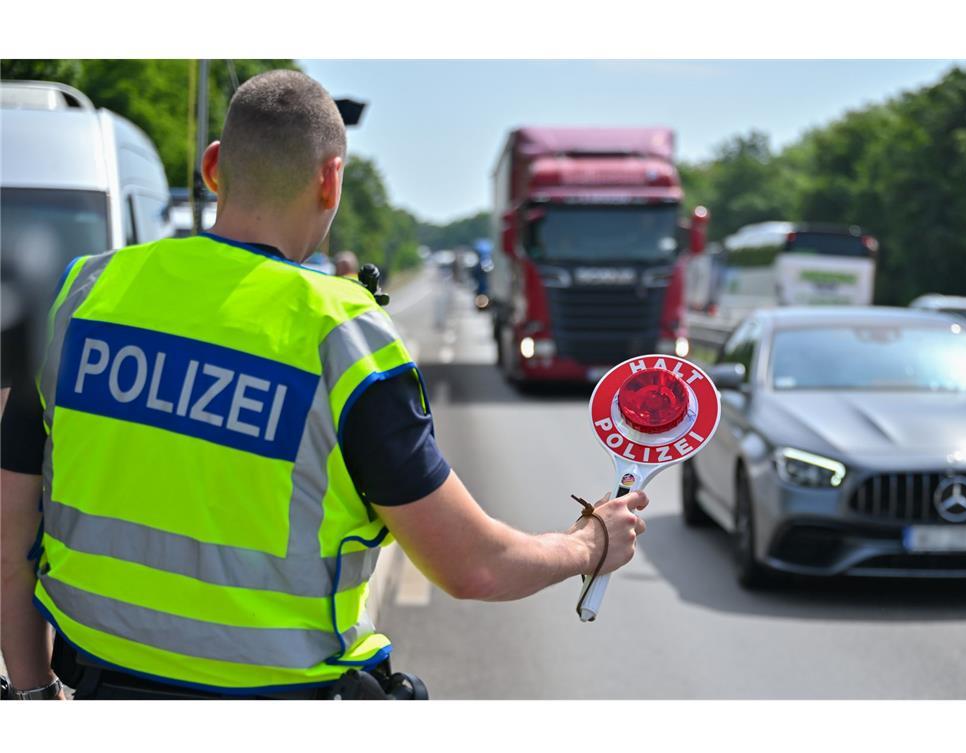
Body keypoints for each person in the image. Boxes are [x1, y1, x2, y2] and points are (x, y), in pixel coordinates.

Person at [0, 70, 647, 700]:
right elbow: (474, 567)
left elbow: (9, 530)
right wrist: (587, 543)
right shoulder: (345, 338)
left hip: (100, 690)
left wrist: (32, 689)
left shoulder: (82, 295)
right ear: (330, 179)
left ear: (214, 166)